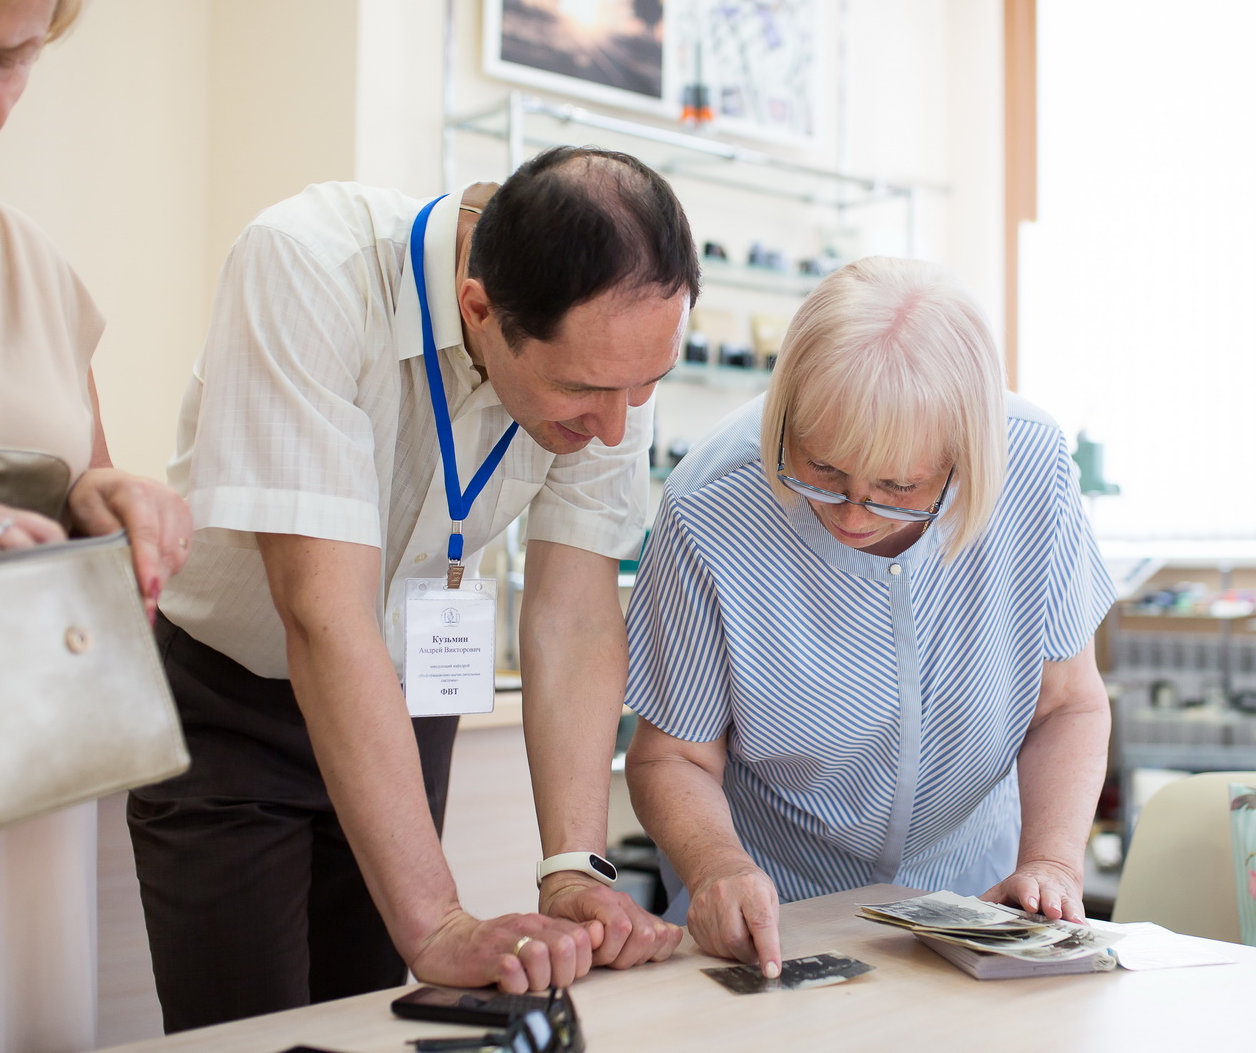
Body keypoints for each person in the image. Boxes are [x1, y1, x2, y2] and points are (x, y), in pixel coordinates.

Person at [130, 146, 694, 1031]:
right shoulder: (311, 267)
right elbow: (321, 610)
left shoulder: (613, 347)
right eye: (584, 391)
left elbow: (577, 613)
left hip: (405, 704)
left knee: (371, 1021)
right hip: (236, 708)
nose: (616, 426)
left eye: (646, 386)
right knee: (250, 1029)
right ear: (479, 308)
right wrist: (436, 918)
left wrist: (575, 863)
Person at [624, 256, 1117, 976]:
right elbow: (672, 754)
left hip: (975, 903)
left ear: (965, 455)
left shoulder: (1030, 465)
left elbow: (1067, 705)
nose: (853, 515)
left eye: (897, 486)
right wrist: (715, 865)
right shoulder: (710, 501)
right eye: (820, 470)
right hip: (779, 917)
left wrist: (1049, 861)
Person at [0, 0, 193, 1049]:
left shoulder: (32, 269)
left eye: (7, 58)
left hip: (22, 773)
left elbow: (75, 478)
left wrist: (102, 499)